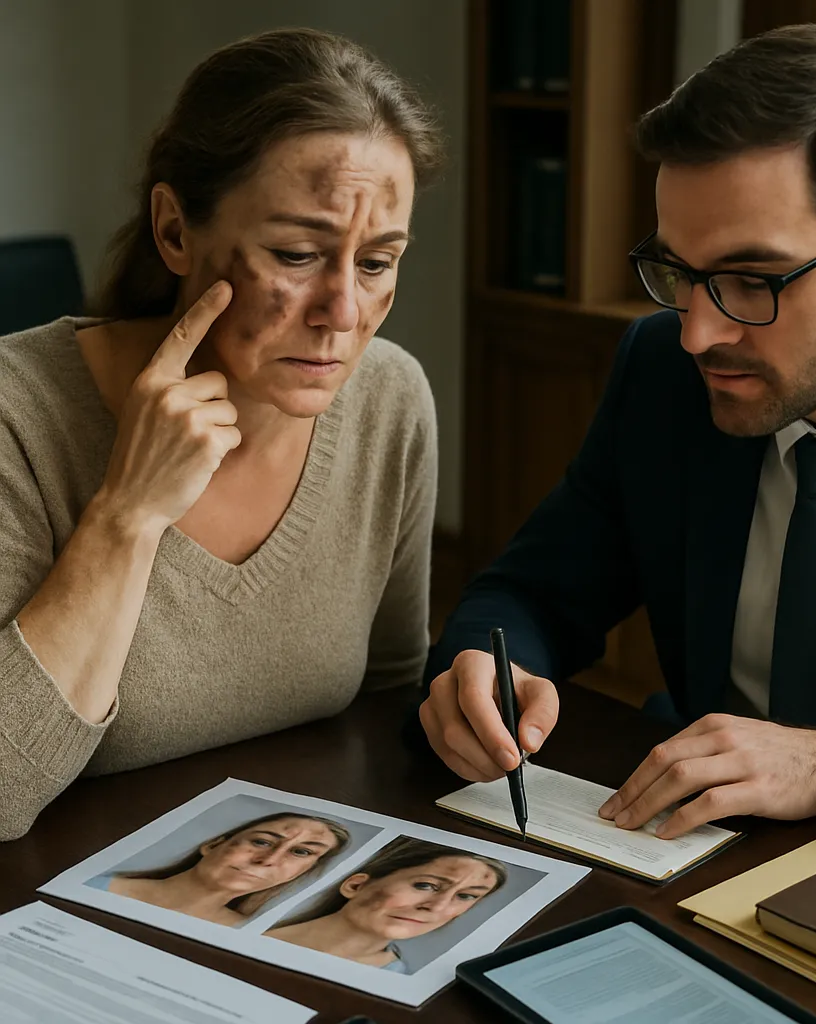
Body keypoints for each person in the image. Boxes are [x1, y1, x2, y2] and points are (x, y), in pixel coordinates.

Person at [418, 24, 816, 852]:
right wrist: (482, 671)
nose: (698, 332)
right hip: (685, 852)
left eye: (752, 280)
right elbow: (532, 592)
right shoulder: (662, 370)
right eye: (679, 271)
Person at [0, 27, 443, 841]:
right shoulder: (15, 417)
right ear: (174, 230)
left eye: (377, 263)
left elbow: (388, 701)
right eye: (298, 254)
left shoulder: (390, 398)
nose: (343, 316)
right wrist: (127, 513)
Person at [266, 837, 507, 972]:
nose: (437, 907)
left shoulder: (396, 976)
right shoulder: (245, 928)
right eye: (425, 885)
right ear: (355, 886)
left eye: (465, 896)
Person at [89, 812, 350, 925]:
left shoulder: (253, 938)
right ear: (213, 845)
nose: (269, 858)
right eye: (262, 841)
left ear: (301, 872)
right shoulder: (94, 887)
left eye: (301, 852)